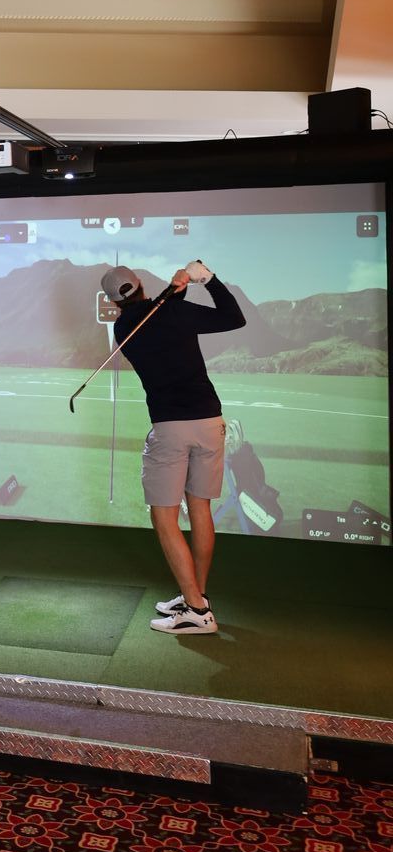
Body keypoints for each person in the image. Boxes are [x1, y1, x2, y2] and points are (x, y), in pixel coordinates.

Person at [100, 260, 245, 636]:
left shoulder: (123, 328)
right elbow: (233, 317)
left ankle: (196, 609)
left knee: (164, 517)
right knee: (200, 507)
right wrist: (205, 279)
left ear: (114, 301)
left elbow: (148, 314)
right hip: (210, 423)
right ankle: (196, 596)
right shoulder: (172, 311)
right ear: (141, 284)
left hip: (170, 429)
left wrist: (172, 293)